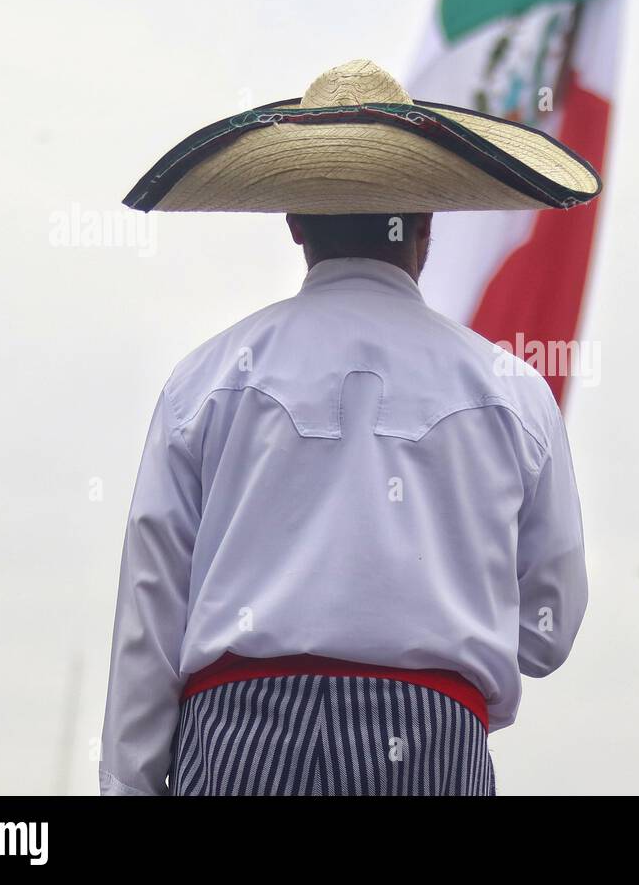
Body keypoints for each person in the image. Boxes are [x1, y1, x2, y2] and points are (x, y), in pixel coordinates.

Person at [99, 59, 600, 796]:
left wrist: (128, 785)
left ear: (293, 220)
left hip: (240, 742)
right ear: (427, 223)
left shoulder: (206, 380)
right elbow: (548, 631)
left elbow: (152, 615)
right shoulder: (512, 391)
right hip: (432, 745)